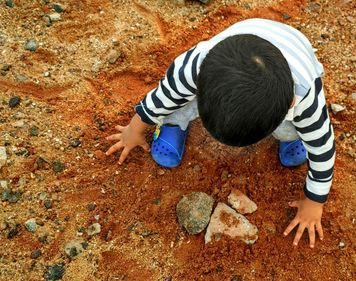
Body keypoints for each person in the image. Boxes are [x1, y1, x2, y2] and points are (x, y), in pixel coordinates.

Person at [105, 18, 335, 248]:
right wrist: (134, 129)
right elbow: (161, 98)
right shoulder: (196, 65)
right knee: (177, 102)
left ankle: (291, 136)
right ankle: (174, 124)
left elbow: (323, 149)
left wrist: (314, 201)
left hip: (293, 50)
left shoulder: (306, 99)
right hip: (242, 49)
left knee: (298, 129)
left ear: (290, 103)